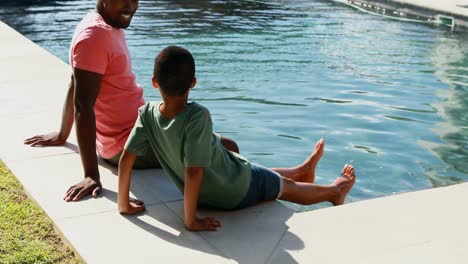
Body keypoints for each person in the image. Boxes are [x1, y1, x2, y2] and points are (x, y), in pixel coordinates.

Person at [117, 46, 356, 232]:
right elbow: (193, 172)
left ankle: (301, 170)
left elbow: (126, 160)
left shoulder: (146, 113)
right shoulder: (197, 116)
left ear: (154, 82)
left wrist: (123, 204)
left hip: (206, 193)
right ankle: (334, 191)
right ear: (193, 83)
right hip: (233, 192)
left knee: (247, 167)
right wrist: (190, 221)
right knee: (285, 188)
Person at [23, 0, 239, 202]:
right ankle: (240, 193)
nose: (131, 6)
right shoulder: (94, 36)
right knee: (228, 147)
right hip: (127, 142)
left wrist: (62, 134)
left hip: (138, 130)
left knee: (215, 143)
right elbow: (83, 104)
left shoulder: (104, 25)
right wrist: (91, 175)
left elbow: (75, 80)